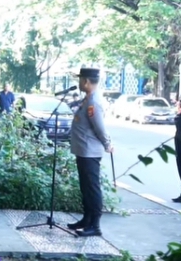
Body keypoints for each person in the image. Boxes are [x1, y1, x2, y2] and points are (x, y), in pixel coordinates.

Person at [67, 67, 113, 237]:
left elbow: (99, 127)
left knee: (92, 188)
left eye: (80, 79)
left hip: (90, 151)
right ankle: (86, 219)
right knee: (85, 187)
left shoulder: (93, 101)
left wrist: (108, 143)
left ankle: (95, 225)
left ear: (86, 81)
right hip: (83, 150)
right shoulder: (88, 98)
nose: (78, 83)